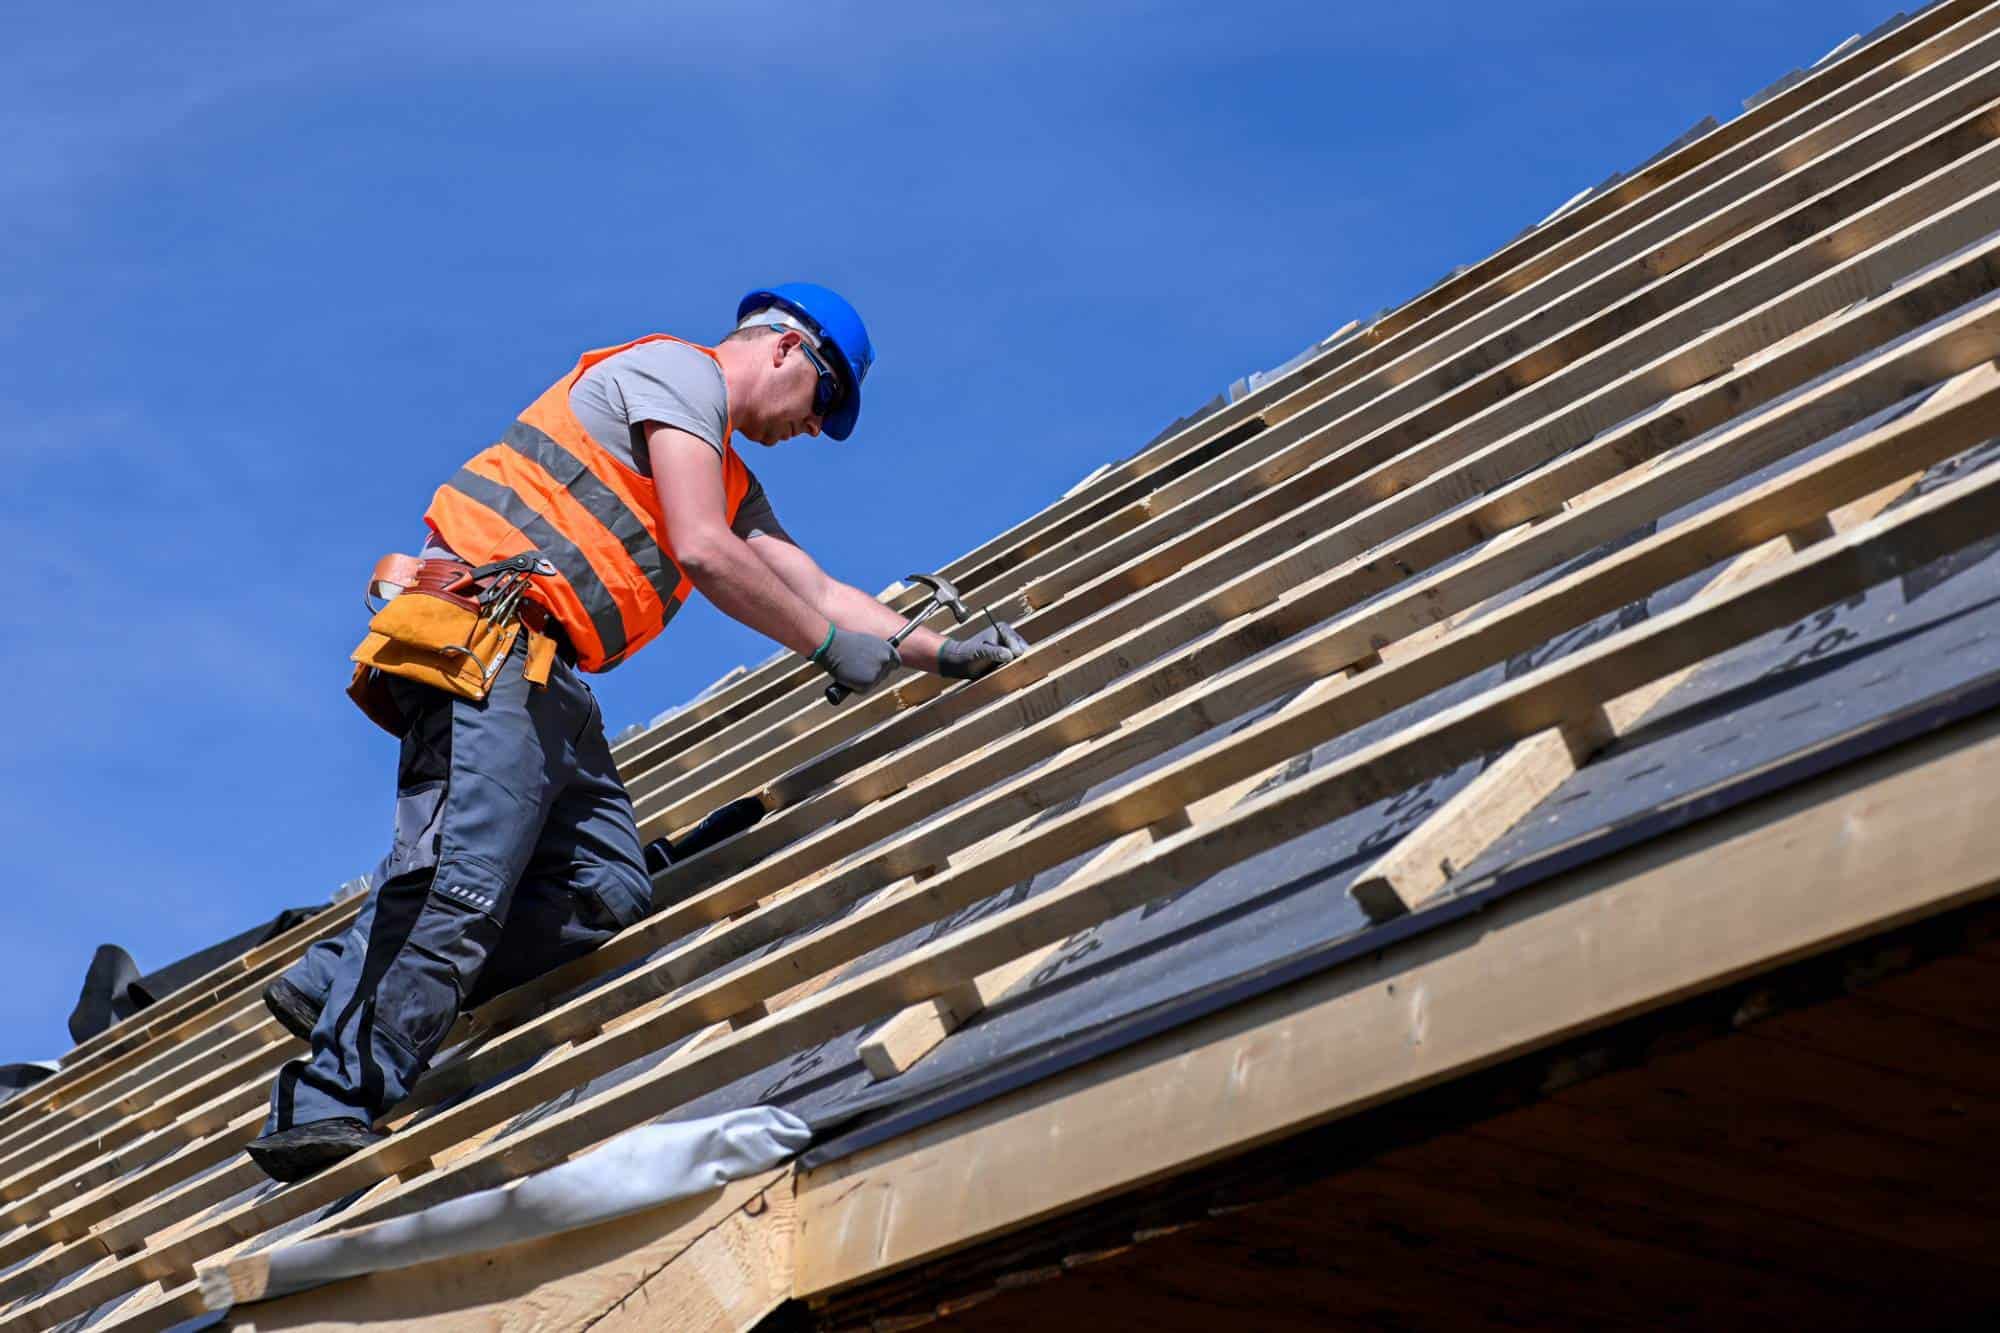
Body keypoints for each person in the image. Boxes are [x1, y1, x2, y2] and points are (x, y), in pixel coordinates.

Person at [248, 284, 1026, 1182]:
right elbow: (702, 548)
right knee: (460, 882)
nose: (816, 429)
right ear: (785, 349)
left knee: (607, 886)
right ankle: (330, 1097)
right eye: (826, 403)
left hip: (550, 680)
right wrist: (822, 649)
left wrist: (940, 652)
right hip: (491, 642)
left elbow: (820, 590)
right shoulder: (673, 376)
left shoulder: (730, 476)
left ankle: (339, 973)